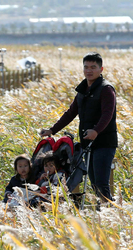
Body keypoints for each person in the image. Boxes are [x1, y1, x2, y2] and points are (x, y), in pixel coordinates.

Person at [39, 52, 118, 204]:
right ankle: (101, 214)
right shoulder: (83, 90)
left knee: (101, 183)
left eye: (93, 67)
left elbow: (107, 115)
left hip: (104, 143)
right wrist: (52, 130)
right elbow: (70, 113)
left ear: (101, 69)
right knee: (94, 183)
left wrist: (96, 131)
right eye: (86, 67)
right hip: (88, 143)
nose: (89, 70)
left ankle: (109, 213)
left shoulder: (106, 89)